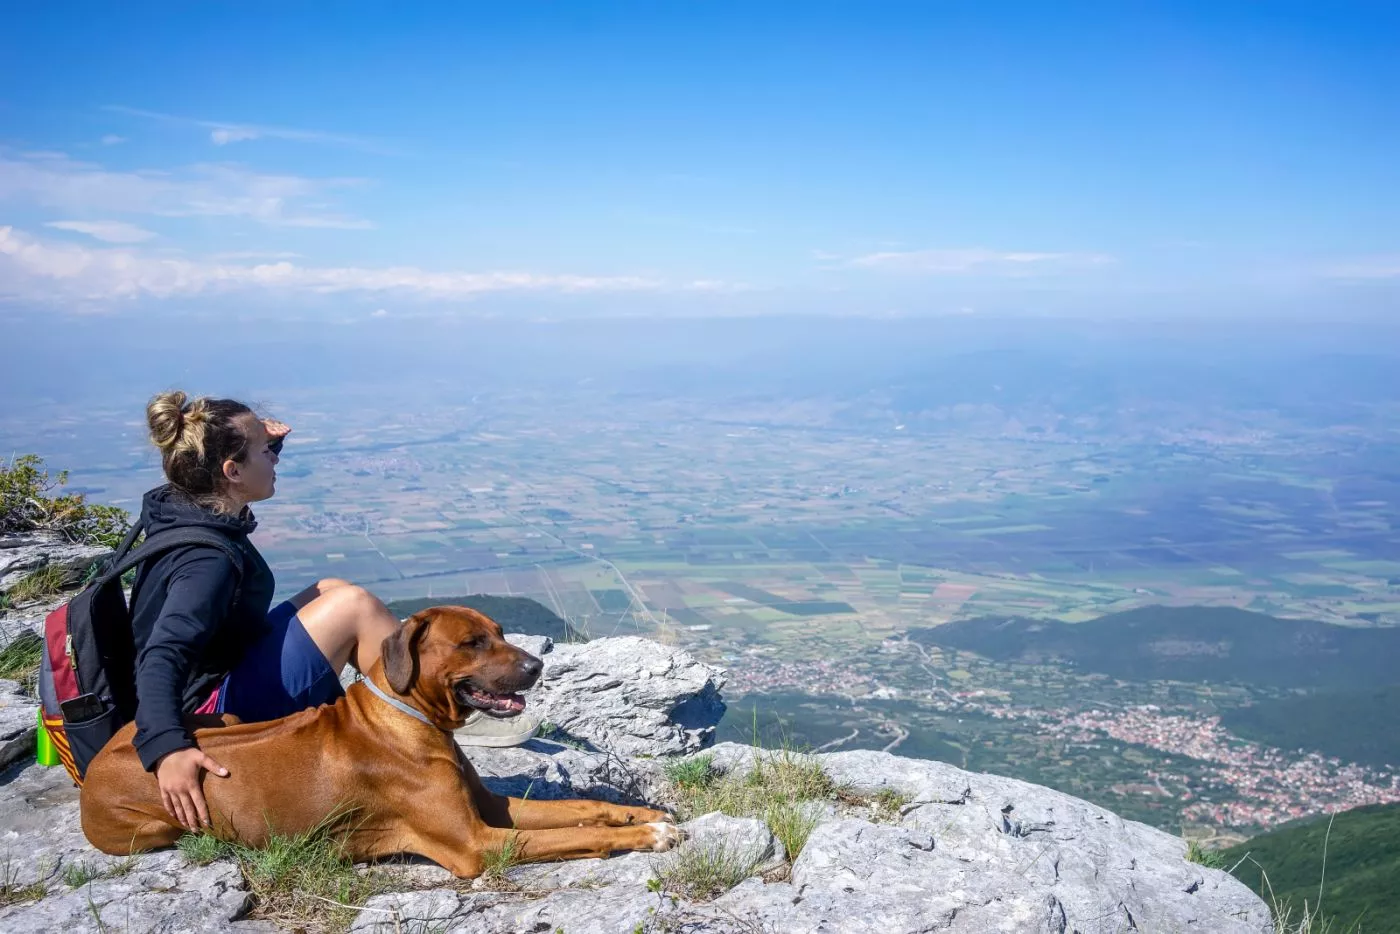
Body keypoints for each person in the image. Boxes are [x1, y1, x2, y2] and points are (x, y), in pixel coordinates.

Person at [129, 391, 539, 832]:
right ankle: (433, 708)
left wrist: (262, 442)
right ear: (231, 471)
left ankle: (428, 697)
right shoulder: (205, 562)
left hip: (219, 671)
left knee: (332, 588)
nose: (275, 459)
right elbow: (162, 653)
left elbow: (234, 469)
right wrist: (167, 747)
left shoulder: (186, 506)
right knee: (352, 606)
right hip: (210, 710)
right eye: (266, 452)